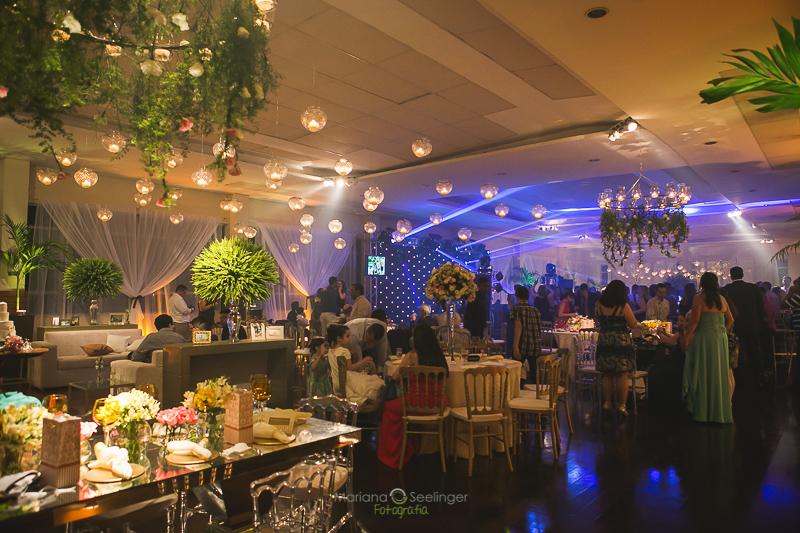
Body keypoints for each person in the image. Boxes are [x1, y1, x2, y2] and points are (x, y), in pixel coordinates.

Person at [377, 324, 449, 468]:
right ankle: (412, 446)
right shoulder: (439, 355)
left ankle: (394, 453)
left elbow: (396, 376)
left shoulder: (412, 356)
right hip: (438, 403)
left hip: (416, 402)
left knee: (389, 407)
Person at [683, 272, 735, 423]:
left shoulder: (699, 298)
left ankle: (704, 413)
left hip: (705, 338)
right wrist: (721, 330)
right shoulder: (722, 299)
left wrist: (686, 337)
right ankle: (720, 413)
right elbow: (730, 319)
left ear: (702, 283)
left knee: (704, 372)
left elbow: (695, 320)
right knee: (719, 373)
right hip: (720, 339)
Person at [594, 280, 638, 417]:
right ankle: (622, 406)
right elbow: (633, 324)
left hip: (605, 339)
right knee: (622, 374)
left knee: (608, 374)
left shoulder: (599, 305)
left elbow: (598, 320)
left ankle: (607, 403)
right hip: (620, 340)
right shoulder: (623, 307)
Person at [722, 266, 765, 386]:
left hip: (735, 324)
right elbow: (760, 306)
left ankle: (740, 379)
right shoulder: (753, 288)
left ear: (731, 275)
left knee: (737, 352)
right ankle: (758, 377)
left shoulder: (727, 289)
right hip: (752, 324)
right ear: (743, 275)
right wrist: (760, 322)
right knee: (754, 350)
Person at [327, 324, 384, 403]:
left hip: (335, 383)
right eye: (347, 337)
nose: (350, 339)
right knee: (371, 369)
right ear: (339, 339)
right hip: (345, 381)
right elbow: (350, 367)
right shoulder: (344, 351)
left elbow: (338, 355)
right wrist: (364, 359)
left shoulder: (331, 351)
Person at [510, 286, 542, 383]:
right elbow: (538, 329)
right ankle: (538, 394)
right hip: (535, 346)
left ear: (517, 297)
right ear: (528, 298)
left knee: (516, 372)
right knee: (535, 375)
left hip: (522, 345)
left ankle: (518, 392)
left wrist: (515, 346)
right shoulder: (536, 310)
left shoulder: (515, 308)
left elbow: (518, 327)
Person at [761, 286, 776, 374]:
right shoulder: (766, 303)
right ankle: (768, 366)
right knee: (766, 347)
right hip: (768, 327)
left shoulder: (767, 305)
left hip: (768, 328)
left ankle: (769, 367)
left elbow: (768, 320)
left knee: (767, 348)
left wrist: (758, 318)